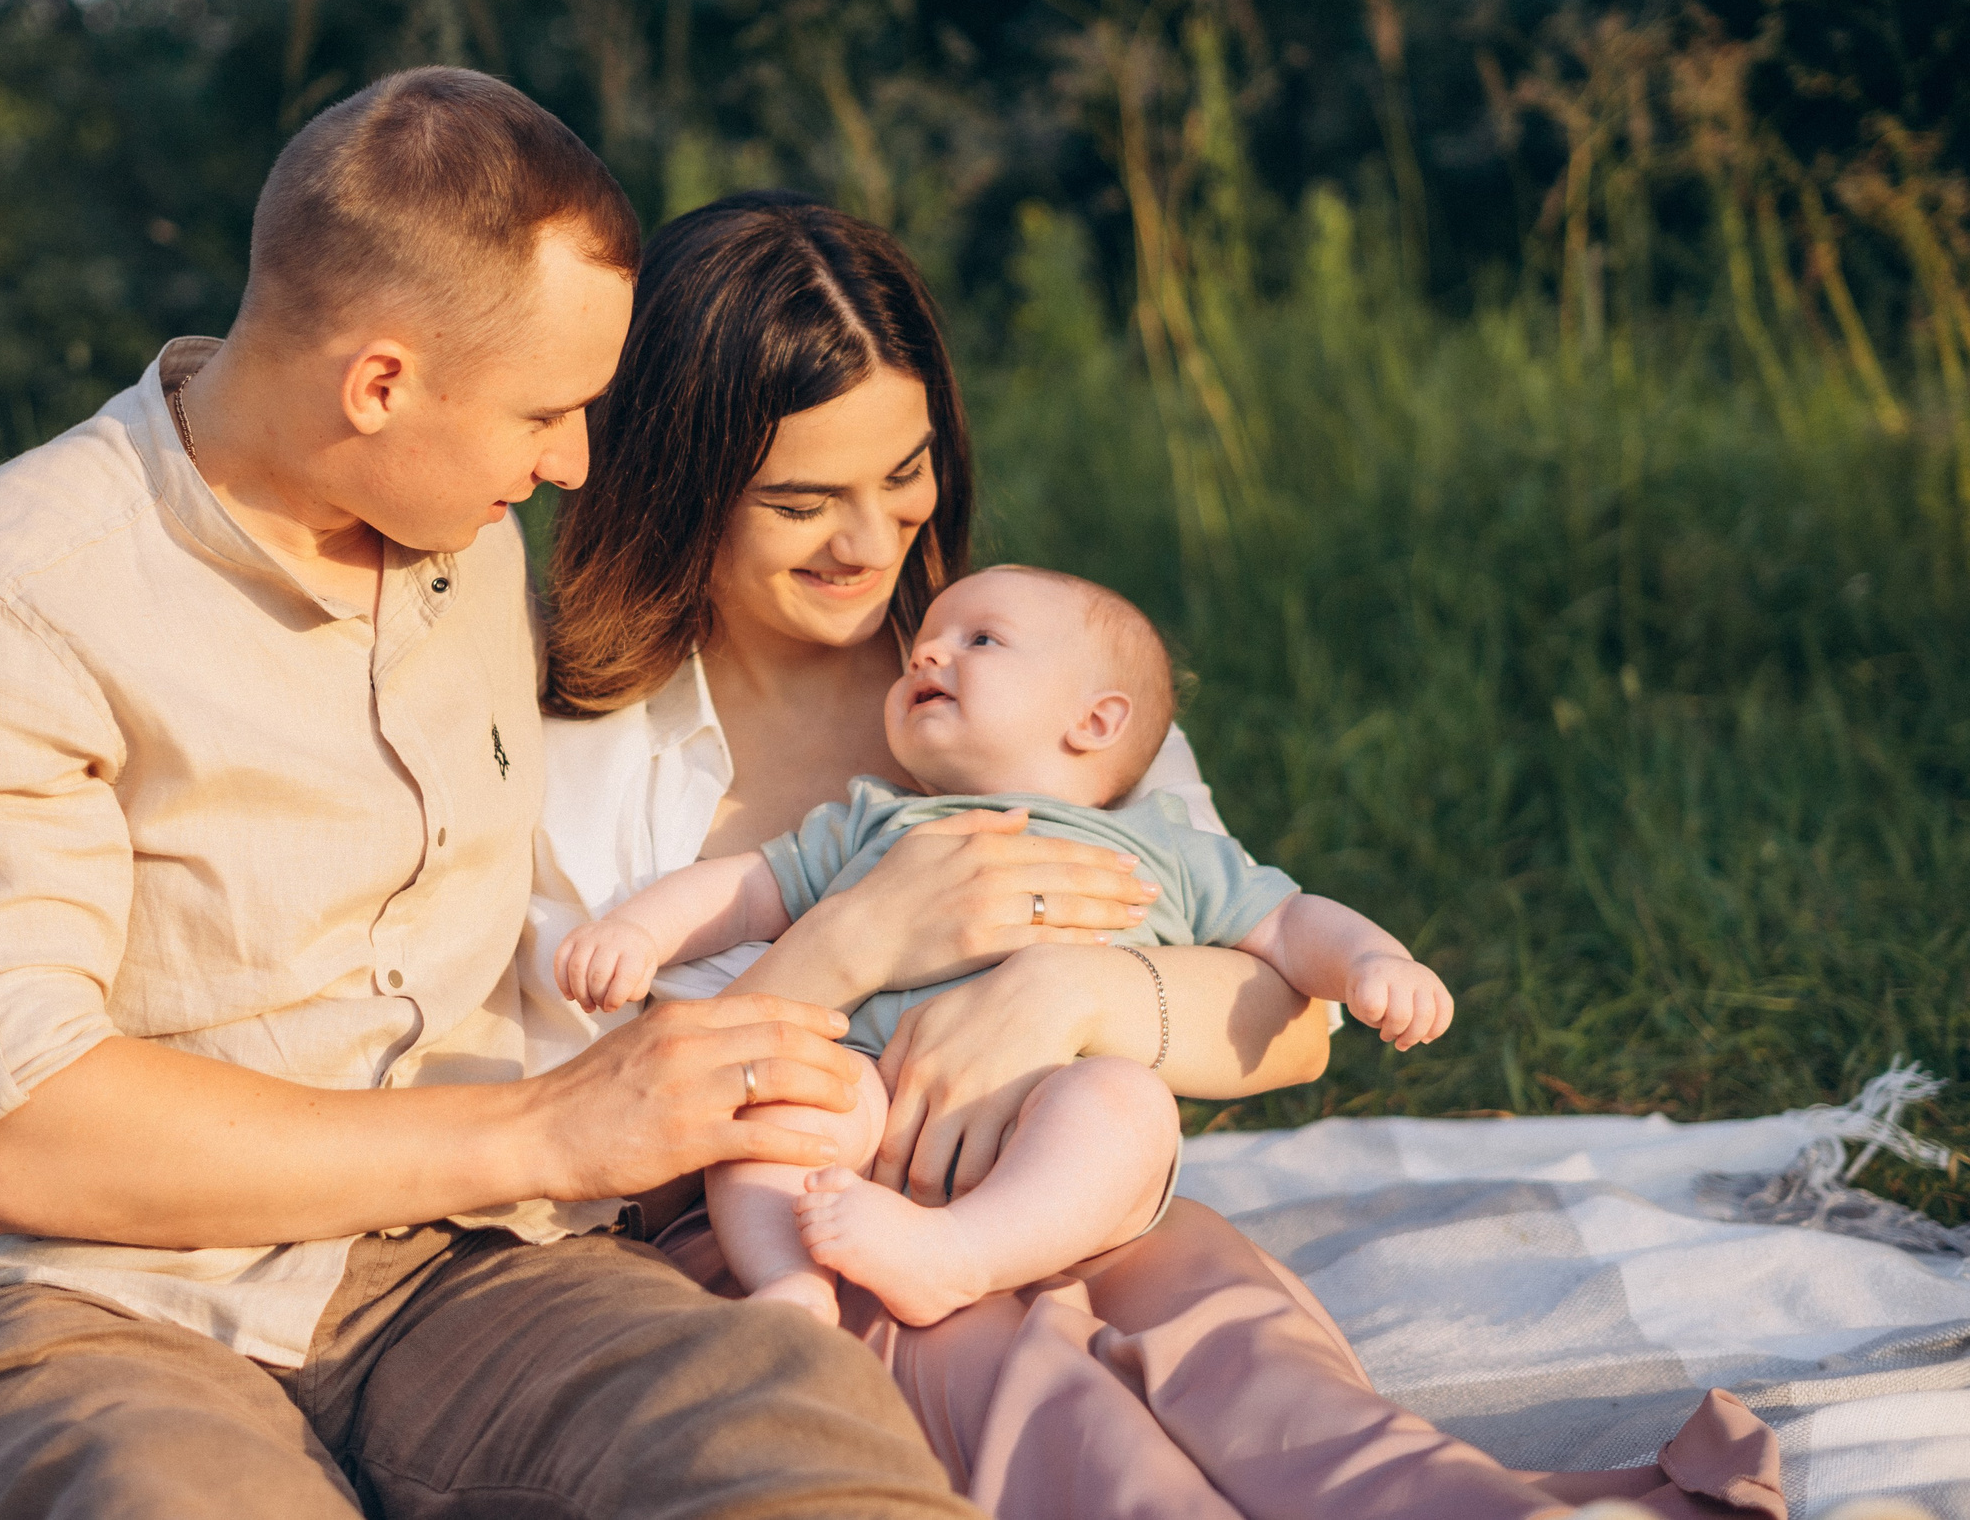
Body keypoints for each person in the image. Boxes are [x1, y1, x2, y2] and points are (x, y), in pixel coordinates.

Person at [0, 69, 1019, 1519]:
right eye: (547, 411)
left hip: (474, 1270)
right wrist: (547, 1128)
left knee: (780, 1424)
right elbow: (17, 1133)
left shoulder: (465, 536)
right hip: (99, 1303)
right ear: (379, 383)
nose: (576, 461)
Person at [524, 189, 1785, 1520]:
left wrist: (1077, 993)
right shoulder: (585, 743)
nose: (871, 540)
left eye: (904, 475)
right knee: (1056, 1413)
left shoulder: (1037, 678)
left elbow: (1290, 1024)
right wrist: (851, 944)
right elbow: (573, 1141)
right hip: (806, 1230)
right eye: (801, 500)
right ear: (679, 484)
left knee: (1261, 1368)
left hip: (1061, 1180)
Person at [553, 563, 1454, 1328]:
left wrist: (1375, 962)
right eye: (925, 644)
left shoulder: (1160, 843)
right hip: (872, 1103)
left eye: (980, 640)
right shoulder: (877, 818)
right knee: (777, 1112)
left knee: (1127, 1105)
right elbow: (750, 888)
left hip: (1052, 1119)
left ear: (1094, 721)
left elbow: (1290, 924)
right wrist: (640, 930)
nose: (927, 653)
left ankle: (958, 1254)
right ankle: (791, 1281)